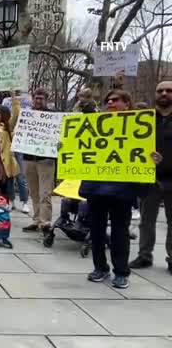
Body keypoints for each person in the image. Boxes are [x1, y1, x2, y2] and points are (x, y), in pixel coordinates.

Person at [80, 89, 161, 289]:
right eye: (108, 100)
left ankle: (121, 272)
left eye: (115, 100)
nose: (110, 103)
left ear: (127, 104)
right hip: (96, 188)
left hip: (122, 191)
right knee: (96, 232)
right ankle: (100, 267)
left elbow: (145, 152)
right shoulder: (94, 125)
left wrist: (153, 160)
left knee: (119, 233)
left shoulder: (138, 127)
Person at [130, 80, 172, 273]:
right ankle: (144, 255)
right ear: (155, 94)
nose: (164, 93)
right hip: (150, 178)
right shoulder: (143, 119)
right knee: (146, 221)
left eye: (169, 90)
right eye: (160, 90)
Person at [13, 88, 56, 233]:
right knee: (34, 192)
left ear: (46, 100)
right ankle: (36, 220)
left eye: (41, 99)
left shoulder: (53, 116)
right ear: (33, 99)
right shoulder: (27, 115)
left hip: (46, 160)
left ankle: (45, 222)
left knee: (45, 193)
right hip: (29, 158)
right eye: (36, 98)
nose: (38, 101)